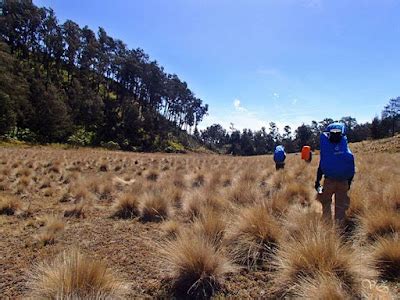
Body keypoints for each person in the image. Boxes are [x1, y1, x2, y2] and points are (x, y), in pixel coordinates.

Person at [315, 123, 355, 225]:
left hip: (329, 181)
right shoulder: (344, 147)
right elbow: (351, 166)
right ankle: (339, 230)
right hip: (343, 181)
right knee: (340, 207)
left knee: (326, 202)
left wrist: (317, 181)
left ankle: (326, 226)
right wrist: (348, 183)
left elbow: (321, 166)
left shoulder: (326, 148)